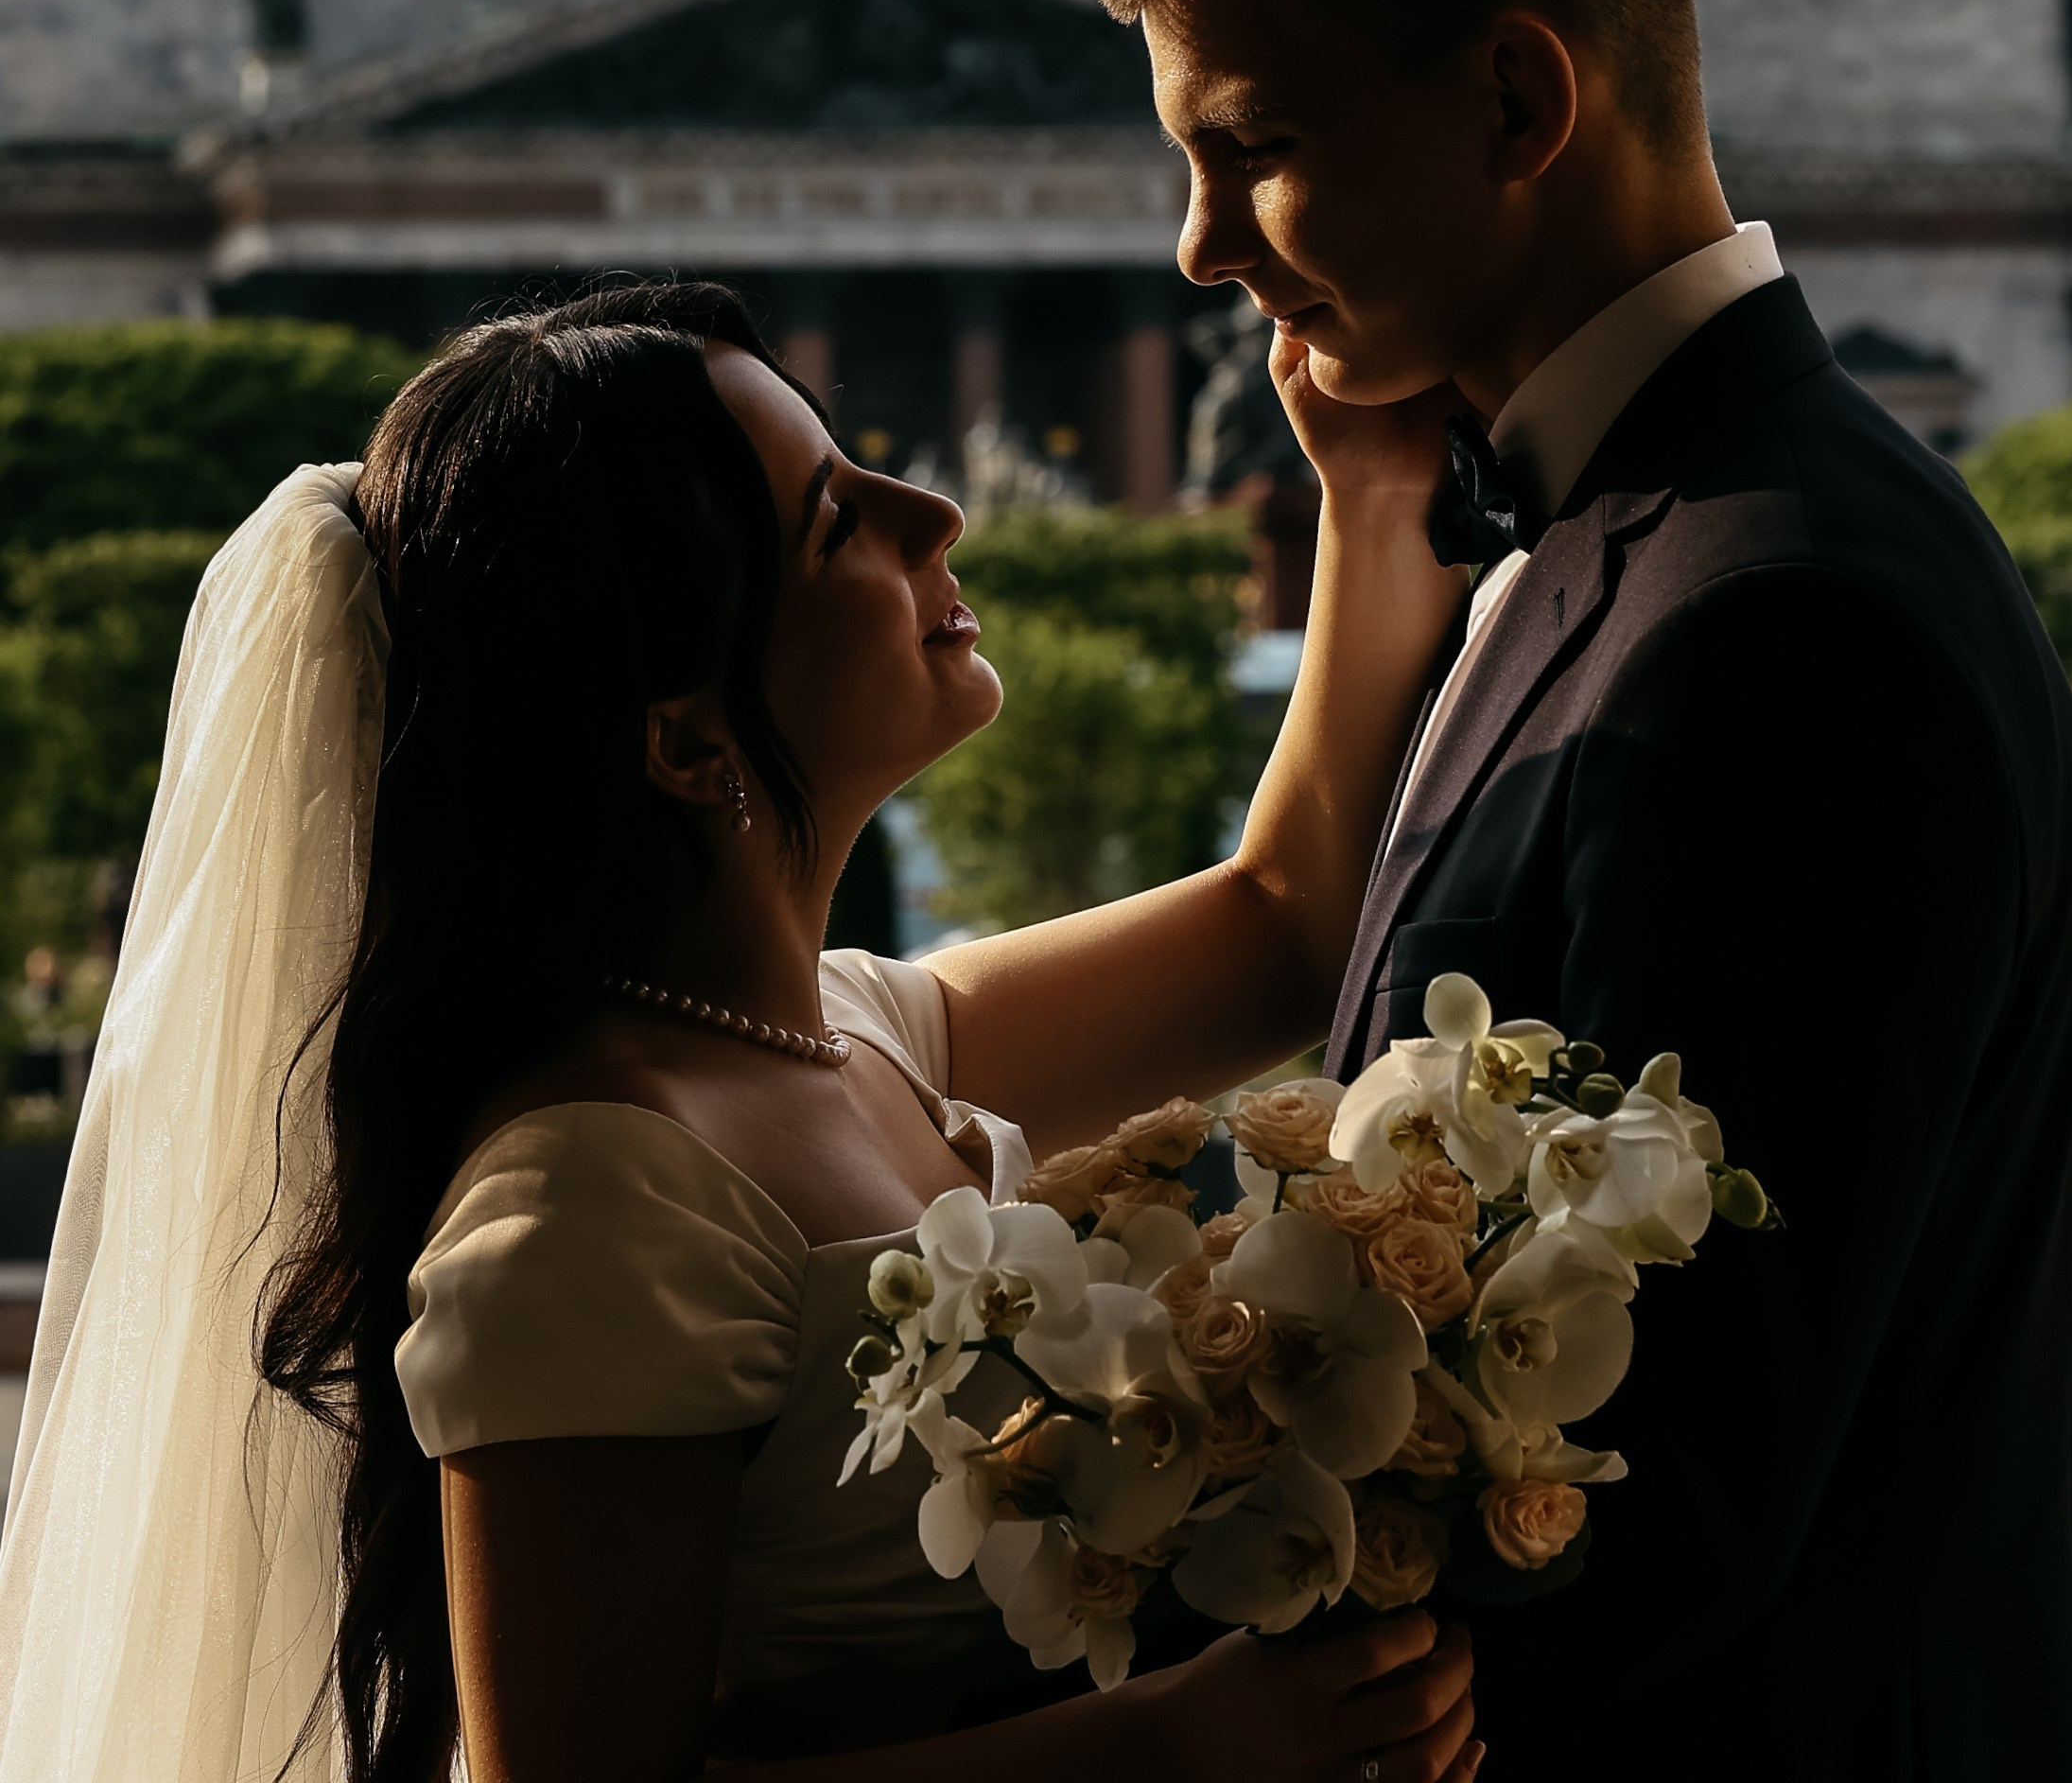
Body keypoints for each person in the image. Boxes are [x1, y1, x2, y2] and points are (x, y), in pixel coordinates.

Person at [0, 279, 1479, 1783]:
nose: (936, 512)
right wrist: (1166, 1747)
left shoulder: (857, 1034)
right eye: (837, 521)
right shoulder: (593, 1197)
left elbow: (1287, 924)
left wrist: (1367, 487)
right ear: (685, 736)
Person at [1099, 0, 2072, 1782]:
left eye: (1252, 149)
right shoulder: (1651, 543)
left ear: (1514, 98)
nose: (1196, 249)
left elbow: (1665, 1487)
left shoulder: (1777, 625)